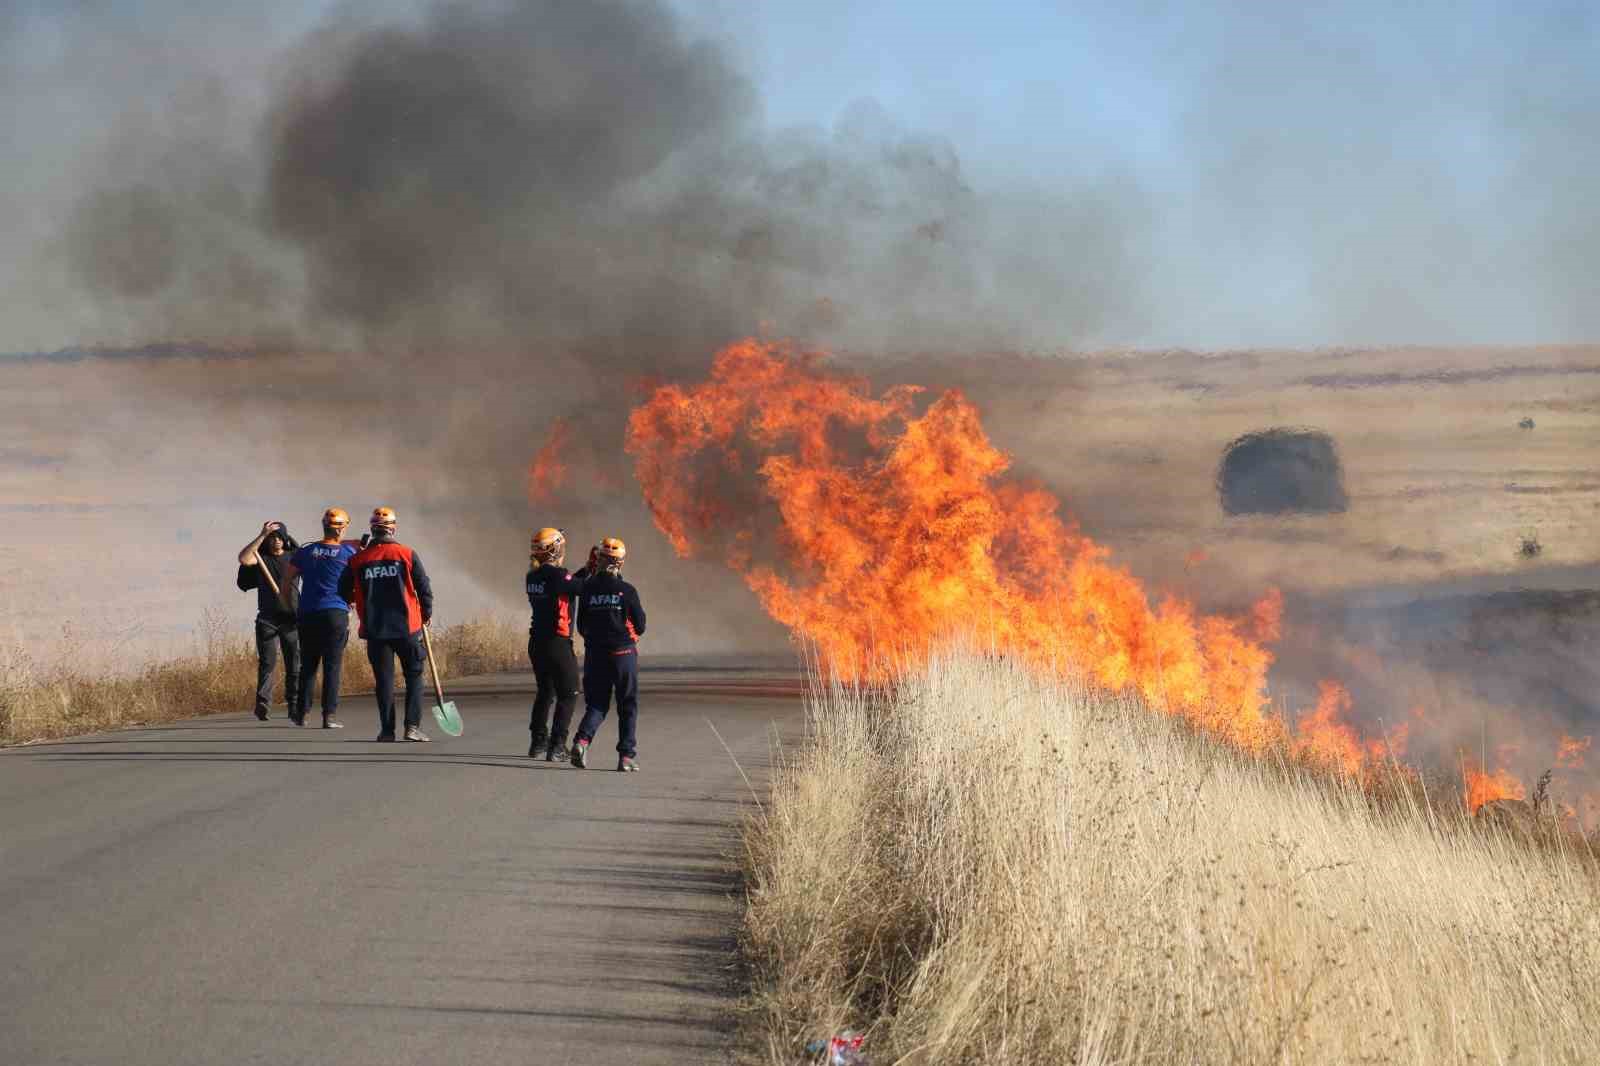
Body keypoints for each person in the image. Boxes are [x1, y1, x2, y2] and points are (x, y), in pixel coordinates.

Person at [340, 506, 434, 742]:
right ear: (393, 528)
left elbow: (342, 590)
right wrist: (426, 614)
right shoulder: (407, 554)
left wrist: (358, 597)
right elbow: (424, 589)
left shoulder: (357, 559)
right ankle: (412, 727)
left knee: (384, 681)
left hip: (375, 629)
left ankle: (387, 730)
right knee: (414, 675)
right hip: (407, 628)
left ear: (372, 529)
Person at [570, 537, 646, 772]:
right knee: (627, 705)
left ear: (599, 560)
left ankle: (582, 741)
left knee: (597, 704)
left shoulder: (587, 590)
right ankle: (626, 757)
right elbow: (641, 625)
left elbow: (580, 625)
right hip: (624, 655)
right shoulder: (627, 590)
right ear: (620, 563)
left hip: (596, 655)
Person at [283, 507, 360, 729]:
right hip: (335, 613)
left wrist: (290, 606)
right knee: (332, 666)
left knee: (308, 665)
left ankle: (303, 714)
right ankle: (329, 716)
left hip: (308, 613)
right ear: (342, 528)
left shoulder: (306, 552)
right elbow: (357, 583)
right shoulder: (349, 554)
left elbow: (287, 581)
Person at [525, 527, 589, 761]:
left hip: (537, 643)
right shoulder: (558, 576)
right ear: (553, 549)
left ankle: (538, 742)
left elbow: (572, 582)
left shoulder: (532, 576)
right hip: (557, 644)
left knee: (545, 691)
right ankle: (557, 745)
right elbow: (581, 587)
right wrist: (594, 570)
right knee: (569, 693)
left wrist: (586, 570)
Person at [236, 521, 301, 722]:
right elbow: (244, 558)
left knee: (294, 664)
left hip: (291, 618)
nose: (276, 541)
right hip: (267, 619)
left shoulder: (294, 558)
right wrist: (262, 534)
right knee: (267, 663)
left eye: (279, 537)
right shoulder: (260, 558)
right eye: (273, 537)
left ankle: (294, 704)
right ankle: (263, 703)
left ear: (285, 539)